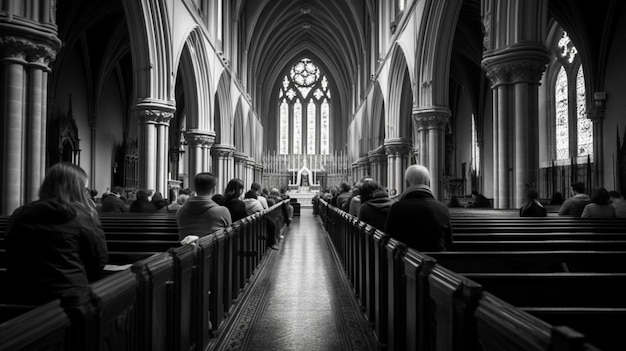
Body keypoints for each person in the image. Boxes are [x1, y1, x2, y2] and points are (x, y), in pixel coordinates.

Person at [5, 162, 108, 305]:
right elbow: (98, 258)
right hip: (70, 297)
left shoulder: (19, 213)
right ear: (77, 188)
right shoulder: (84, 216)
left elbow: (12, 252)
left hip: (22, 293)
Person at [385, 165, 452, 252]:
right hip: (438, 261)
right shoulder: (442, 208)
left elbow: (389, 239)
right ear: (428, 182)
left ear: (407, 183)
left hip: (406, 261)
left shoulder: (397, 208)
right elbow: (448, 242)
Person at [177, 172, 232, 240]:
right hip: (214, 250)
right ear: (214, 189)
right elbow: (230, 236)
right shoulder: (222, 211)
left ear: (195, 188)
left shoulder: (181, 211)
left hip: (186, 250)